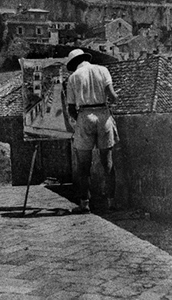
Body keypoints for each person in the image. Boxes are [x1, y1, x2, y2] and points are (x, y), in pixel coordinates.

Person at [66, 49, 120, 214]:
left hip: (84, 116)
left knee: (84, 166)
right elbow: (112, 96)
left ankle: (85, 203)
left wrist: (80, 120)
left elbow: (70, 108)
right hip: (103, 116)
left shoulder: (73, 77)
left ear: (74, 64)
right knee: (108, 163)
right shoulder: (102, 70)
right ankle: (110, 202)